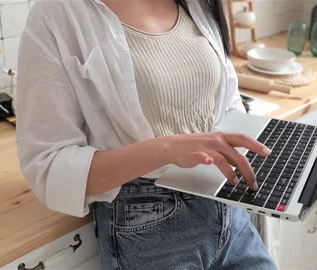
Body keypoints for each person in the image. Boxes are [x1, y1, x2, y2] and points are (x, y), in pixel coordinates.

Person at [16, 0, 277, 269]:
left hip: (227, 208)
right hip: (148, 228)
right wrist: (167, 149)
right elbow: (48, 167)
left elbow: (226, 96)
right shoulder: (58, 12)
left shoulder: (198, 3)